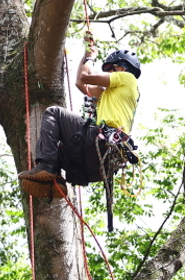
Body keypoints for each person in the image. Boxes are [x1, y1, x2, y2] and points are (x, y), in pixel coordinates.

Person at [18, 48, 141, 199]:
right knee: (51, 146)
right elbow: (80, 83)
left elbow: (86, 76)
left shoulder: (128, 78)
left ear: (122, 67)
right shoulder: (110, 94)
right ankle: (56, 180)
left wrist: (90, 58)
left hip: (102, 142)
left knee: (54, 113)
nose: (111, 73)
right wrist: (85, 57)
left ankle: (46, 166)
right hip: (98, 165)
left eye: (111, 69)